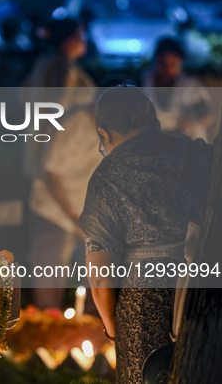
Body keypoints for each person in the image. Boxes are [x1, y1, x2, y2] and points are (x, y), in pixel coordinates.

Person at [78, 86, 212, 383]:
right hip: (206, 294)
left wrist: (114, 333)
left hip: (145, 307)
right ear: (153, 120)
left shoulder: (106, 176)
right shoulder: (195, 154)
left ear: (104, 133)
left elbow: (99, 276)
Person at [22, 17, 100, 310]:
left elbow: (24, 100)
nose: (85, 40)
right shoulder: (63, 70)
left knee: (52, 263)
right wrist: (52, 152)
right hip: (57, 175)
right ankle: (54, 337)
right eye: (81, 34)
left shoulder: (44, 65)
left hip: (58, 173)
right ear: (68, 39)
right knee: (52, 262)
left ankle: (56, 333)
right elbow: (57, 112)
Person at [142, 37, 213, 141]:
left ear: (180, 63)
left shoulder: (191, 86)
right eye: (163, 63)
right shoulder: (141, 84)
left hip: (186, 142)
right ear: (155, 61)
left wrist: (191, 121)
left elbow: (206, 116)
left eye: (173, 63)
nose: (168, 68)